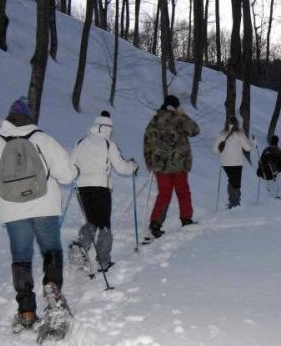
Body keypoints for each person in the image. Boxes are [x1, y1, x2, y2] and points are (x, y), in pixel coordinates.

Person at [0, 97, 76, 334]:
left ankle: (26, 312)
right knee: (50, 249)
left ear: (8, 118)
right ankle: (52, 288)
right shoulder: (42, 139)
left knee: (21, 257)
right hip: (45, 205)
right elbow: (68, 175)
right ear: (29, 116)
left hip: (13, 209)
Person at [69, 111, 138, 275]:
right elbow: (121, 167)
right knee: (104, 224)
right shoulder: (108, 144)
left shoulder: (81, 142)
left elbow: (71, 165)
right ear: (108, 128)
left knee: (91, 221)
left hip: (82, 188)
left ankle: (80, 247)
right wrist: (133, 166)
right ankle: (103, 260)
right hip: (101, 188)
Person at [144, 95, 200, 239]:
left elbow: (147, 143)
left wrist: (150, 163)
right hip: (178, 164)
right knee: (183, 192)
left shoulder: (154, 121)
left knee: (164, 194)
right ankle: (186, 219)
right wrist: (183, 114)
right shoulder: (179, 118)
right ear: (176, 106)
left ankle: (155, 223)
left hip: (160, 166)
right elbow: (195, 130)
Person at [214, 115, 253, 208]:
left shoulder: (222, 133)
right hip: (236, 162)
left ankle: (232, 201)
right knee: (236, 183)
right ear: (237, 123)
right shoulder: (240, 134)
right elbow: (247, 148)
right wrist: (254, 143)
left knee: (231, 180)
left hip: (225, 163)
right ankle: (235, 203)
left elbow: (215, 150)